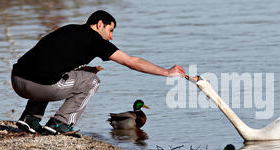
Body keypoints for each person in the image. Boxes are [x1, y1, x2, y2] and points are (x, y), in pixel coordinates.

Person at [11, 10, 185, 134]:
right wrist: (167, 73)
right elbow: (132, 62)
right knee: (92, 81)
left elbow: (49, 60)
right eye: (110, 30)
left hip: (17, 80)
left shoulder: (68, 29)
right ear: (99, 24)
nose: (111, 37)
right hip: (41, 87)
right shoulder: (96, 40)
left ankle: (30, 119)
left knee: (51, 70)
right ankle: (60, 124)